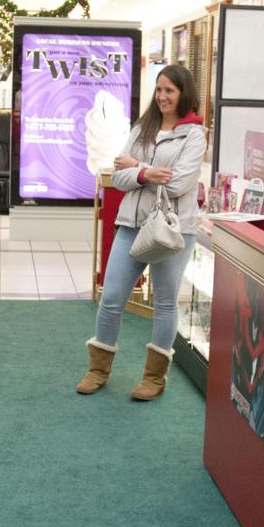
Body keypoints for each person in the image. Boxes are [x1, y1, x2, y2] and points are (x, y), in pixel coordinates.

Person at [76, 65, 206, 400]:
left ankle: (154, 378)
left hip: (172, 230)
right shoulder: (142, 127)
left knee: (164, 301)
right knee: (111, 297)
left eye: (170, 91)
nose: (162, 96)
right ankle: (98, 369)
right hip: (132, 225)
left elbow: (177, 184)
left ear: (183, 94)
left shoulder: (194, 134)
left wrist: (137, 168)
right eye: (159, 90)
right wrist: (147, 173)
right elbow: (118, 177)